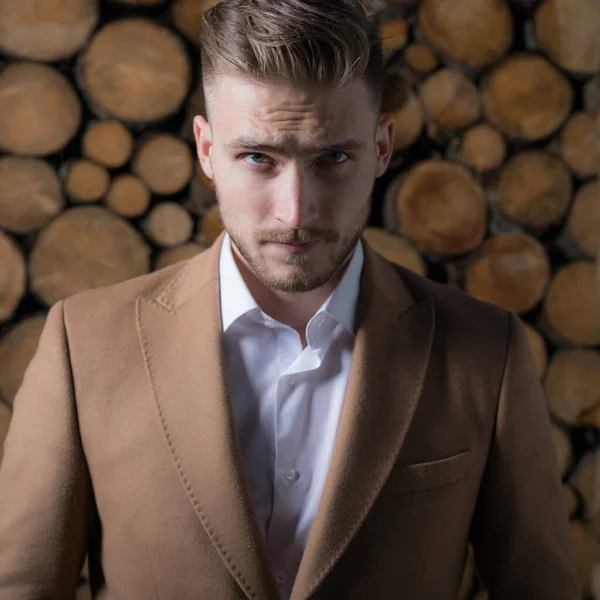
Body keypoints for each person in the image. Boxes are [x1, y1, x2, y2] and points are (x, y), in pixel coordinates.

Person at [0, 0, 580, 598]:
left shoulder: (488, 353)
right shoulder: (83, 343)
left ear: (382, 148)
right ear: (205, 149)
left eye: (332, 157)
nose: (296, 211)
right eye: (258, 157)